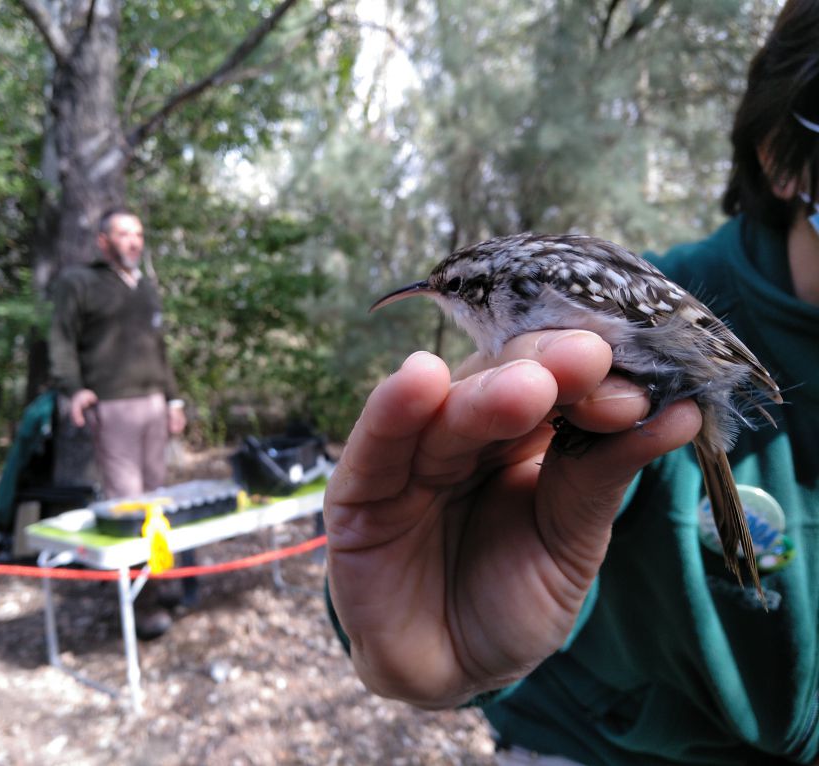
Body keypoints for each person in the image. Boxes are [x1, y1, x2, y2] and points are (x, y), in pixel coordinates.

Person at [324, 2, 819, 763]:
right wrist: (439, 626)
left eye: (452, 291)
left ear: (491, 291)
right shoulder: (566, 309)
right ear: (783, 157)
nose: (446, 302)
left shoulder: (542, 295)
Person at [49, 207, 187, 638]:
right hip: (112, 408)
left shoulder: (144, 287)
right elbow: (61, 339)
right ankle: (141, 606)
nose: (133, 241)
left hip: (153, 406)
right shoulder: (80, 283)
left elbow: (158, 349)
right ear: (103, 242)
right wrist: (74, 389)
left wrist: (174, 399)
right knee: (129, 505)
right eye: (123, 234)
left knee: (157, 501)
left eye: (139, 234)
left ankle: (162, 582)